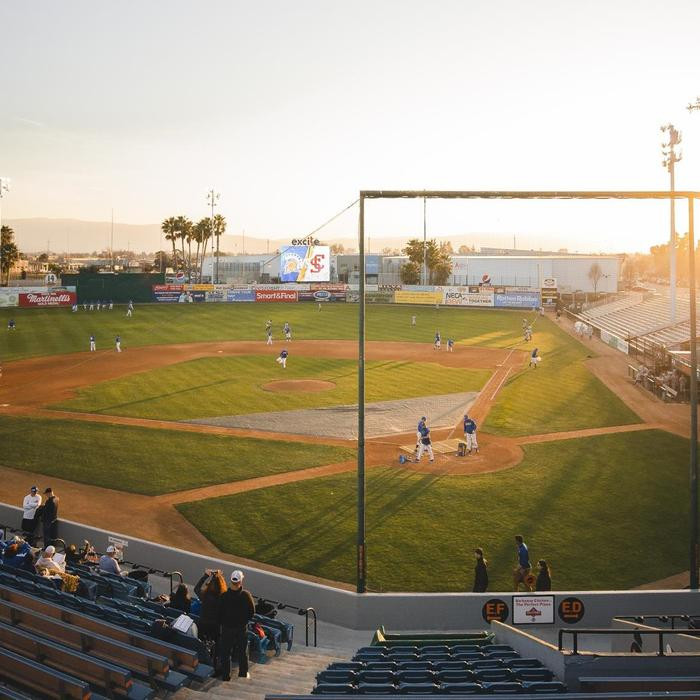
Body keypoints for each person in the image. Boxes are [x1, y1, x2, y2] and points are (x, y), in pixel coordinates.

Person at [219, 569, 255, 681]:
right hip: (241, 629)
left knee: (226, 653)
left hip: (227, 628)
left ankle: (226, 676)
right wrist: (244, 621)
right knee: (242, 652)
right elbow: (252, 612)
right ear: (241, 581)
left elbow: (219, 613)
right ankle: (243, 674)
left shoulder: (224, 596)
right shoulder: (246, 595)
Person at [194, 568, 227, 671]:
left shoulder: (205, 595)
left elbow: (196, 588)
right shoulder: (223, 598)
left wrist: (205, 575)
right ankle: (216, 664)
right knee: (219, 644)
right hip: (215, 627)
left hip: (203, 625)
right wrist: (219, 577)